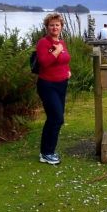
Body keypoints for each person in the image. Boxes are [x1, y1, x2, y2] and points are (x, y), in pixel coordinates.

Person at [36, 13, 72, 165]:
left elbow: (65, 60)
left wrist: (68, 70)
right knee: (57, 118)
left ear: (61, 27)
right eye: (52, 25)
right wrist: (56, 51)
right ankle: (46, 153)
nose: (55, 27)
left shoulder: (61, 43)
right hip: (47, 85)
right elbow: (44, 63)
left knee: (54, 119)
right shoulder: (43, 43)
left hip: (61, 84)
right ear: (47, 27)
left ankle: (48, 151)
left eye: (57, 25)